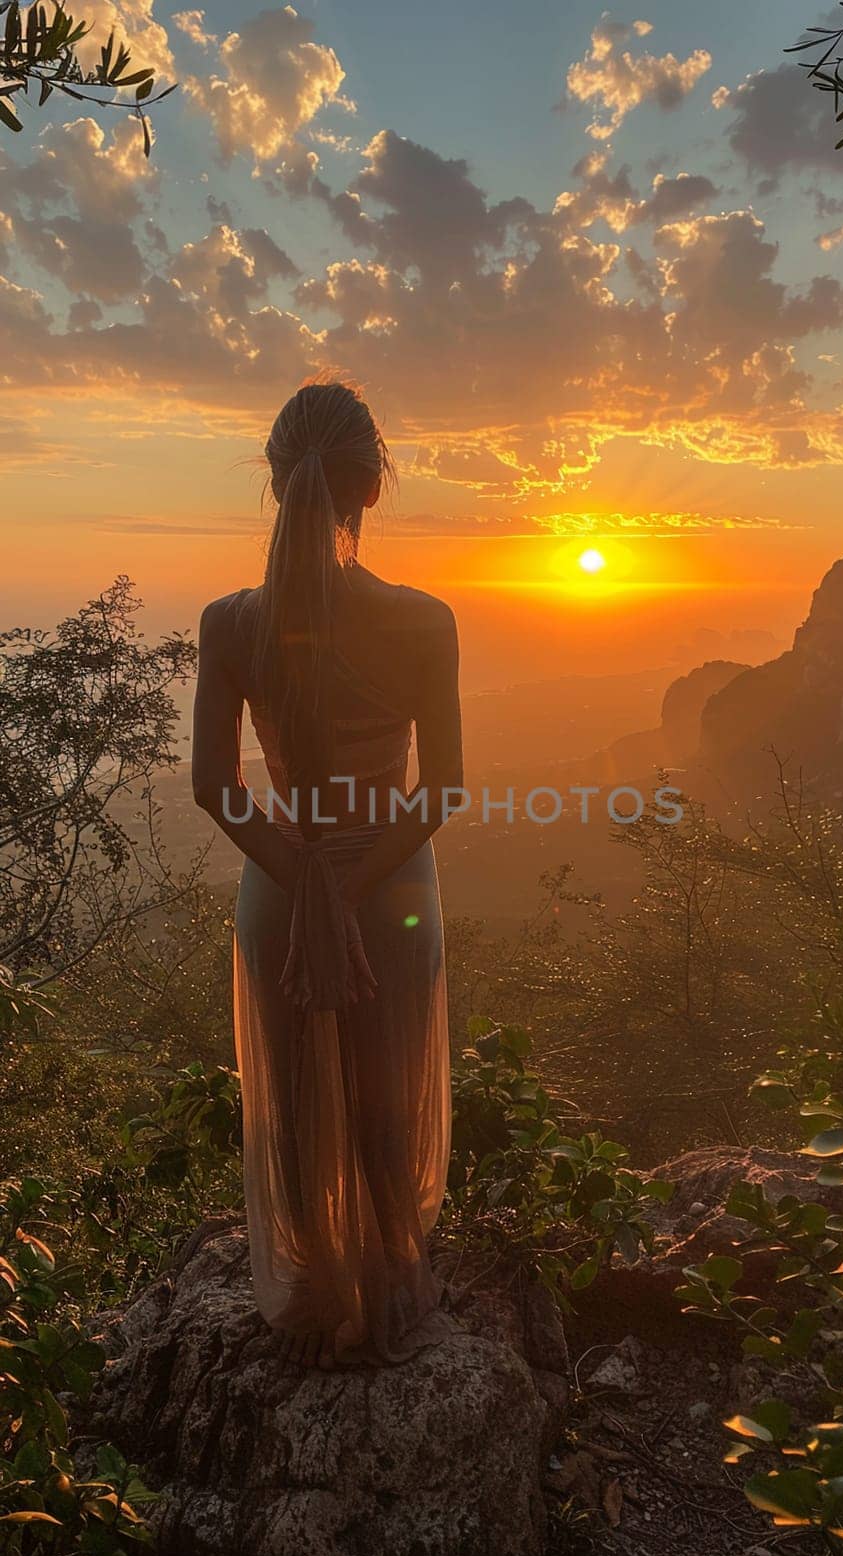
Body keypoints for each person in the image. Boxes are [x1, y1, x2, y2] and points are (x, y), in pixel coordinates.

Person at [191, 378, 463, 1368]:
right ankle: (394, 1285)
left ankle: (313, 1299)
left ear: (275, 484)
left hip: (279, 884)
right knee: (387, 1101)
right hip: (390, 886)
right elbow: (443, 790)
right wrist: (349, 890)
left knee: (299, 1105)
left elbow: (216, 788)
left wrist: (307, 883)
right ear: (372, 491)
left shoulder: (229, 623)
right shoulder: (427, 620)